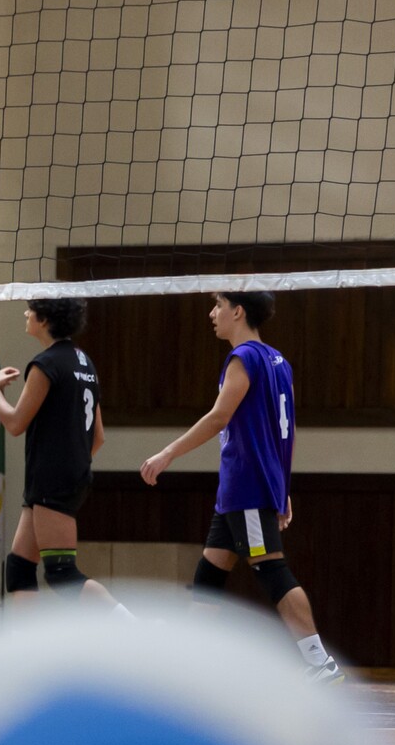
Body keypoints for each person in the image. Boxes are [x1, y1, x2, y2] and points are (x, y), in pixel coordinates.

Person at [141, 290, 344, 683]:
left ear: (238, 311)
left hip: (246, 484)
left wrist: (167, 453)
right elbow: (286, 431)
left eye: (218, 305)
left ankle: (320, 662)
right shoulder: (279, 361)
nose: (212, 313)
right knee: (210, 572)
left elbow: (219, 417)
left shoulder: (244, 357)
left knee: (271, 569)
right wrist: (282, 485)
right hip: (246, 487)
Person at [0, 298, 123, 610]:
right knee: (20, 567)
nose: (26, 313)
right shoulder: (84, 363)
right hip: (64, 476)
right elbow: (98, 436)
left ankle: (131, 627)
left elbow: (16, 423)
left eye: (31, 309)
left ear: (45, 319)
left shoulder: (46, 364)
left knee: (62, 574)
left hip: (52, 479)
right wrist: (72, 462)